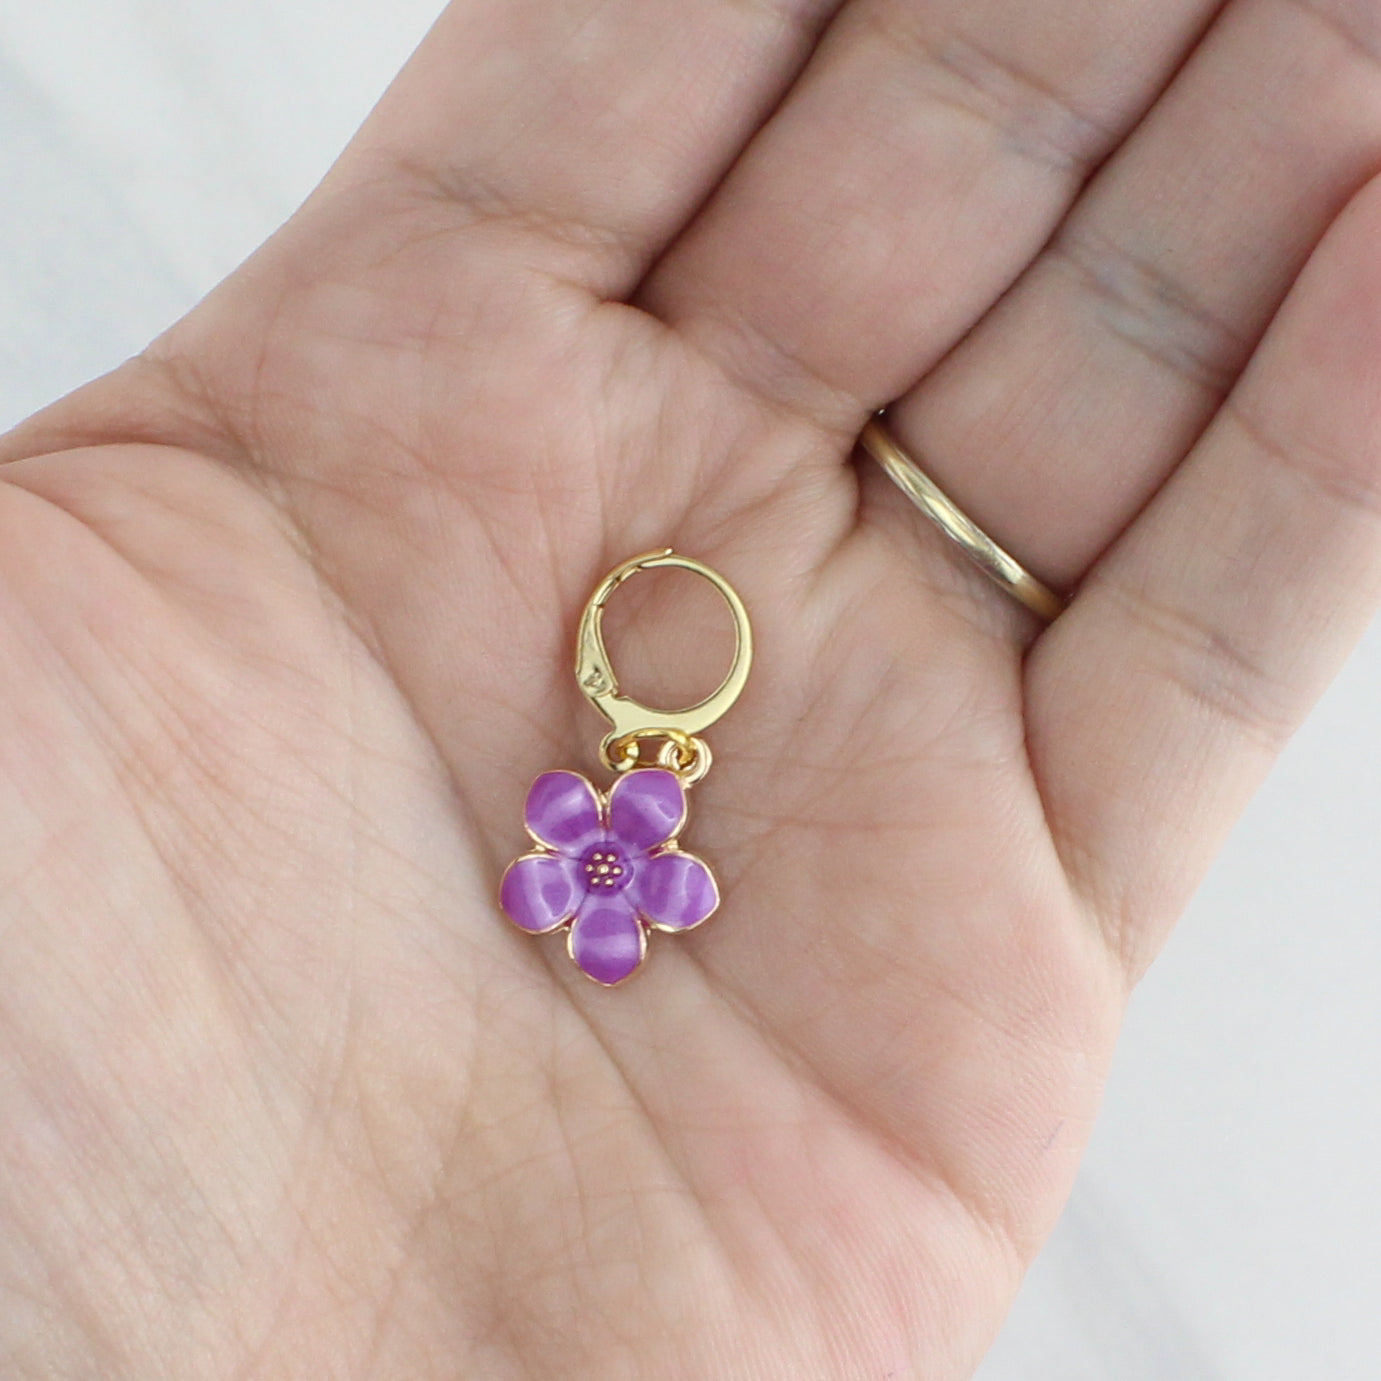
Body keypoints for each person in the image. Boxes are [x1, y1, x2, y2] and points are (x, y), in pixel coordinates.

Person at [1, 1, 1377, 1376]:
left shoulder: (623, 830)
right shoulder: (595, 835)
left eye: (604, 859)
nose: (601, 861)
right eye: (601, 860)